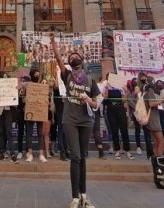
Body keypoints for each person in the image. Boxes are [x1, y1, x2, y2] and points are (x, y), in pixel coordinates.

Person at [50, 32, 99, 208]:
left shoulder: (91, 80)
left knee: (83, 156)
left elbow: (96, 105)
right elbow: (57, 58)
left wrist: (89, 100)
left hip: (86, 121)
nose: (73, 58)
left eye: (75, 56)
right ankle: (75, 197)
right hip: (70, 119)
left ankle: (84, 194)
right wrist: (53, 42)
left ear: (81, 60)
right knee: (76, 156)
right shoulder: (67, 75)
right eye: (71, 57)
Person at [102, 74, 133, 160]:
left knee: (124, 130)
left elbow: (124, 100)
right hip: (111, 110)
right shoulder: (107, 87)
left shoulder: (120, 87)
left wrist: (126, 91)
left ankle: (127, 150)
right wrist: (107, 88)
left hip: (120, 109)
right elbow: (105, 97)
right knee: (114, 130)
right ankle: (117, 150)